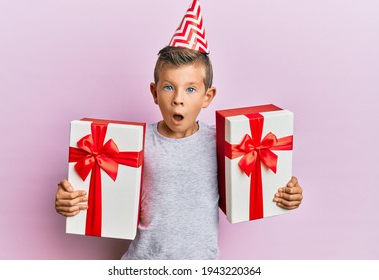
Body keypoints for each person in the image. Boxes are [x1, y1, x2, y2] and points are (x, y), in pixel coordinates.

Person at [55, 1, 303, 260]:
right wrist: (68, 201)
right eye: (169, 87)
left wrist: (287, 195)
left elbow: (254, 186)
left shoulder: (223, 144)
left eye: (191, 89)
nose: (178, 99)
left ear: (208, 97)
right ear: (154, 92)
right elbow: (96, 191)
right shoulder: (134, 144)